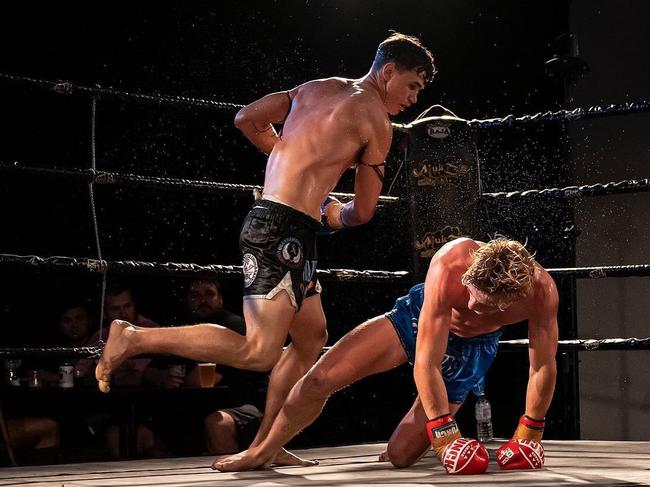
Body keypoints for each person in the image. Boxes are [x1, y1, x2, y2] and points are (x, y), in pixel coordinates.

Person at [96, 32, 436, 465]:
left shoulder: (313, 88)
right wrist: (333, 212)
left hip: (286, 226)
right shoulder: (376, 123)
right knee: (258, 350)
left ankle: (266, 446)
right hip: (283, 231)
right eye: (413, 85)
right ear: (389, 71)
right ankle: (135, 337)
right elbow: (363, 213)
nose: (413, 97)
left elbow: (246, 118)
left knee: (311, 337)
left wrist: (287, 158)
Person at [212, 237, 558, 473]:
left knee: (400, 456)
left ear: (513, 300)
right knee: (320, 378)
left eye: (484, 308)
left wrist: (529, 434)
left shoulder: (541, 293)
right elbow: (427, 361)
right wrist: (446, 434)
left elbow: (542, 365)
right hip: (417, 320)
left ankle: (427, 431)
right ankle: (266, 447)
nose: (469, 307)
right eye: (470, 295)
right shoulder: (451, 262)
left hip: (471, 351)